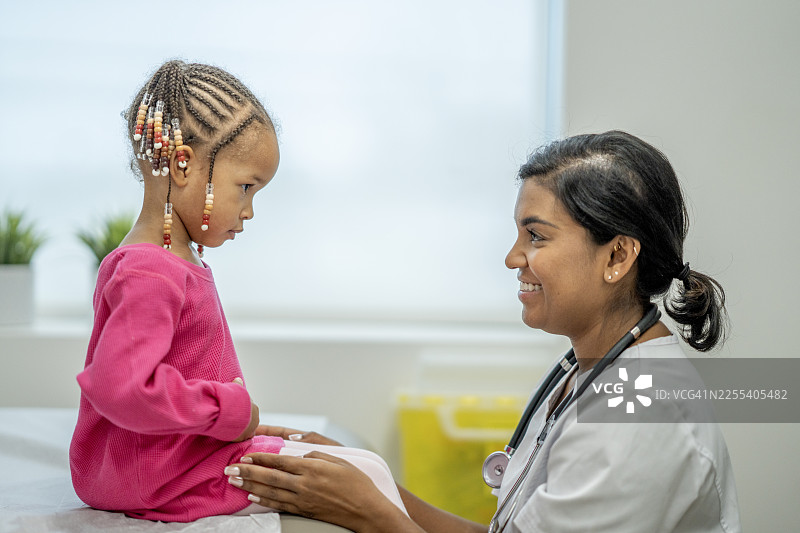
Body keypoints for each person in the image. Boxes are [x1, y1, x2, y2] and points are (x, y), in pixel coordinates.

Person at [226, 131, 742, 532]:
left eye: (536, 236)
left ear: (617, 256)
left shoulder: (641, 413)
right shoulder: (591, 371)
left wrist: (365, 513)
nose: (513, 257)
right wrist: (371, 479)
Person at [69, 60, 406, 523]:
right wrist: (227, 412)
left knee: (365, 467)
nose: (248, 210)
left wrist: (224, 427)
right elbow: (122, 387)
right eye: (245, 187)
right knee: (368, 474)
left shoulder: (167, 260)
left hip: (169, 458)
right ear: (182, 164)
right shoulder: (151, 270)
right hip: (158, 475)